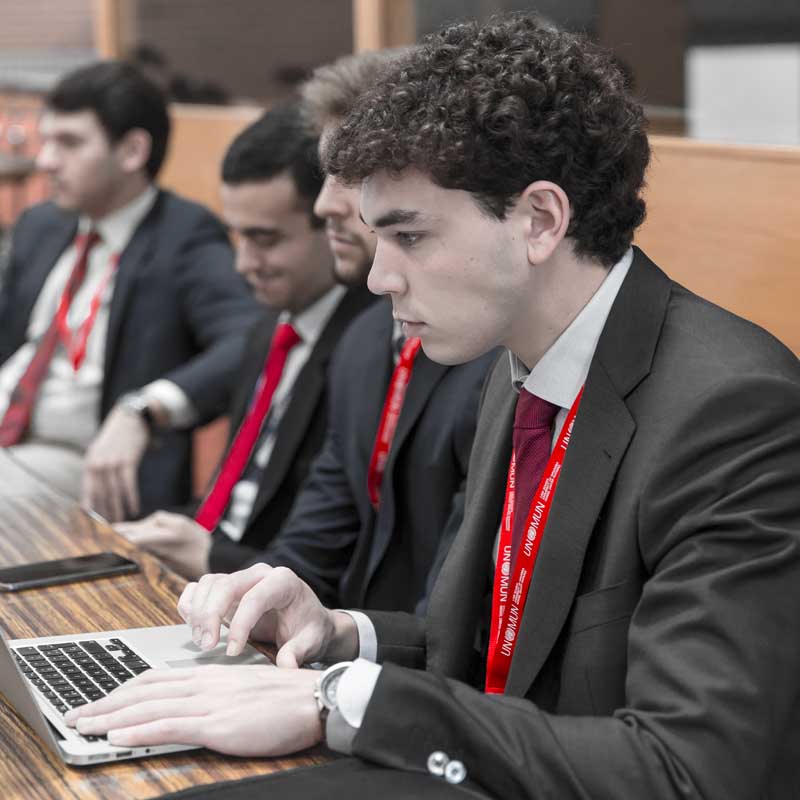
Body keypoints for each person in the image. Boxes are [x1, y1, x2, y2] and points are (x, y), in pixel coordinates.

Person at [66, 15, 800, 800]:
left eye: (409, 237)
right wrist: (340, 634)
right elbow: (493, 655)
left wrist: (340, 702)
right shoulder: (517, 363)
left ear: (541, 221)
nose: (379, 278)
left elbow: (689, 770)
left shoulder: (731, 411)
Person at [207, 49, 496, 612]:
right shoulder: (364, 341)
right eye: (325, 174)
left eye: (347, 175)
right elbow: (314, 546)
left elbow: (457, 612)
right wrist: (245, 597)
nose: (322, 205)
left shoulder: (491, 352)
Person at [115, 103, 375, 579]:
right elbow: (234, 498)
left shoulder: (368, 347)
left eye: (266, 239)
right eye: (238, 236)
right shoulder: (271, 327)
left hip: (267, 591)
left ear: (334, 225)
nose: (244, 264)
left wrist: (211, 559)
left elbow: (330, 555)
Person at [0, 60, 261, 521]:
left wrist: (145, 408)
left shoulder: (185, 236)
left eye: (70, 143)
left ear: (132, 150)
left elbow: (248, 338)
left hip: (81, 461)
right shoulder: (42, 224)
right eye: (47, 140)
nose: (45, 160)